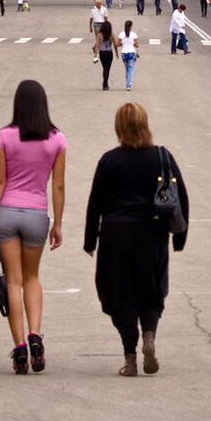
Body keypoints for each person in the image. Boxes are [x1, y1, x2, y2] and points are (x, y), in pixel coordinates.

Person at [84, 102, 189, 377]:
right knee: (151, 289)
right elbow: (182, 198)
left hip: (115, 236)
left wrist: (89, 241)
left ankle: (130, 357)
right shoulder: (161, 157)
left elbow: (95, 202)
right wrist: (179, 238)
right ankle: (150, 336)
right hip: (152, 234)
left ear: (118, 127)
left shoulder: (109, 160)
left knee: (119, 295)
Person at [0, 80, 68, 375]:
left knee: (12, 281)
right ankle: (35, 337)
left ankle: (18, 347)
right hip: (36, 214)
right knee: (31, 277)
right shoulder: (56, 139)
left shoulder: (5, 136)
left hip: (5, 214)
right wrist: (58, 222)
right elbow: (58, 184)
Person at [117, 20, 140, 91]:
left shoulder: (121, 34)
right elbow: (137, 45)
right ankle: (128, 85)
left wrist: (123, 43)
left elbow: (117, 44)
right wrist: (132, 43)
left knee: (127, 69)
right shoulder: (133, 34)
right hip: (131, 53)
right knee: (130, 69)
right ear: (131, 26)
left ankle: (128, 83)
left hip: (124, 53)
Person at [93, 21, 115, 91]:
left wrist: (95, 55)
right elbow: (115, 44)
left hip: (102, 53)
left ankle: (105, 83)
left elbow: (97, 45)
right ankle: (105, 84)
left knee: (104, 68)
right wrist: (117, 53)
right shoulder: (111, 34)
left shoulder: (100, 35)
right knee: (107, 69)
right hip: (109, 52)